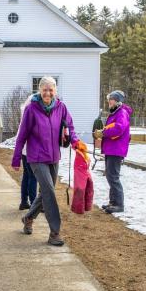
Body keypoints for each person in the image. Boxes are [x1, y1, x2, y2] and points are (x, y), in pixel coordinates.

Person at [11, 77, 81, 246]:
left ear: (55, 91)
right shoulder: (31, 109)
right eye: (45, 90)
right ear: (39, 90)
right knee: (49, 191)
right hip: (36, 157)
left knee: (45, 192)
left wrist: (75, 141)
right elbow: (22, 135)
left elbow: (69, 126)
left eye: (51, 90)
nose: (48, 93)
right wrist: (16, 158)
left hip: (54, 156)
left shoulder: (61, 107)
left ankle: (28, 218)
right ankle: (54, 232)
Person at [94, 90, 132, 214]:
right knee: (110, 176)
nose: (109, 101)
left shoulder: (122, 113)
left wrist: (103, 133)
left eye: (111, 99)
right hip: (112, 149)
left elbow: (118, 128)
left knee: (113, 177)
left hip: (116, 149)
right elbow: (112, 127)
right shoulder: (116, 112)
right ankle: (113, 202)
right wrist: (103, 131)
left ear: (117, 100)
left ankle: (119, 204)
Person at [19, 95, 37, 210]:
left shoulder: (25, 112)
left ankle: (24, 201)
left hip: (24, 149)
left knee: (27, 175)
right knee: (33, 177)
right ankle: (34, 204)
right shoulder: (31, 113)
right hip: (30, 149)